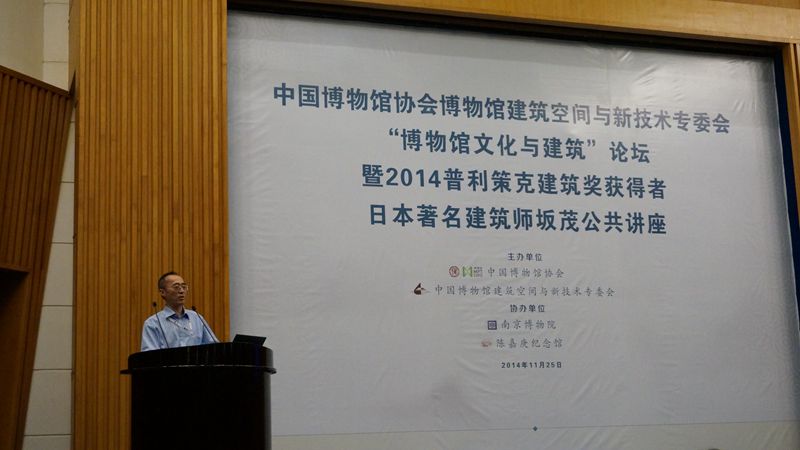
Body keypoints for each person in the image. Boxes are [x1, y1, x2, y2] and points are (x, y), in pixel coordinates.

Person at [141, 271, 218, 351]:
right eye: (176, 287)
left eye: (184, 287)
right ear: (163, 292)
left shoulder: (197, 318)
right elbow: (149, 355)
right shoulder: (152, 323)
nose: (181, 291)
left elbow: (214, 349)